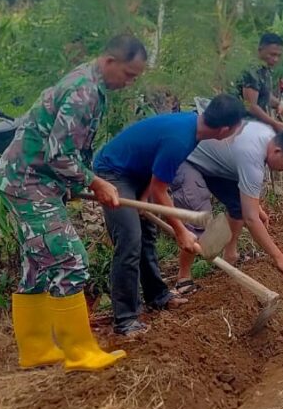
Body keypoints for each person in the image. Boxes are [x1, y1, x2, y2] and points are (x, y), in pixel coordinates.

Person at [0, 34, 147, 372]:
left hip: (30, 179)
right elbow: (59, 153)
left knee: (36, 265)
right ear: (110, 62)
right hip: (27, 182)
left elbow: (64, 152)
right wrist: (95, 181)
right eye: (129, 74)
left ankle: (35, 350)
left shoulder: (88, 83)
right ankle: (79, 352)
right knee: (71, 261)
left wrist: (73, 182)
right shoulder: (83, 93)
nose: (130, 82)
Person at [93, 94, 245, 337]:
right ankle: (126, 319)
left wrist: (142, 199)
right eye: (237, 129)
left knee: (147, 235)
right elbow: (160, 190)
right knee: (130, 240)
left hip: (136, 173)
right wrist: (181, 231)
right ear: (224, 130)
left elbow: (153, 172)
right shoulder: (181, 138)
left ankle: (158, 296)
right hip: (113, 172)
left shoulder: (193, 128)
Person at [170, 123, 283, 294]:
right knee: (197, 219)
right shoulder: (252, 157)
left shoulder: (267, 137)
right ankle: (183, 278)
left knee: (238, 206)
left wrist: (255, 206)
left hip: (216, 163)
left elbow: (247, 201)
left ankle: (230, 255)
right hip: (188, 159)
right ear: (277, 151)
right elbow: (251, 219)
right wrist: (279, 257)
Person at [236, 33, 283, 133]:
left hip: (257, 126)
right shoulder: (252, 71)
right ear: (260, 50)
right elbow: (251, 106)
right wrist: (274, 123)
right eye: (272, 54)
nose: (276, 59)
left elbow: (264, 96)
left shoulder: (265, 71)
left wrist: (278, 104)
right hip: (244, 127)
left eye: (278, 55)